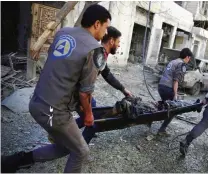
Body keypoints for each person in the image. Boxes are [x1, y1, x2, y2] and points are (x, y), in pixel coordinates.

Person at [1, 4, 112, 173]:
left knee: (67, 146)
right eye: (106, 28)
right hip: (53, 112)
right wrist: (89, 115)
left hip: (37, 102)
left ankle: (14, 162)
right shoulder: (95, 50)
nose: (106, 33)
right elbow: (85, 92)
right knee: (81, 151)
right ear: (97, 24)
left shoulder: (63, 33)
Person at [75, 26, 132, 144]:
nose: (119, 45)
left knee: (93, 108)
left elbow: (107, 75)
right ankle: (79, 149)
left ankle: (68, 132)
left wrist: (123, 89)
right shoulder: (98, 54)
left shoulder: (102, 55)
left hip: (80, 90)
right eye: (118, 42)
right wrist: (87, 111)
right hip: (77, 92)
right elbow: (84, 87)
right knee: (94, 122)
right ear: (111, 41)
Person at [156, 48, 193, 136]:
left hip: (161, 86)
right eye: (190, 58)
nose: (190, 60)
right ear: (187, 57)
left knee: (165, 106)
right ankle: (162, 130)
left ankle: (150, 119)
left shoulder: (173, 61)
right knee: (173, 109)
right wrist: (175, 95)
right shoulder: (181, 64)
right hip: (168, 88)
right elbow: (175, 81)